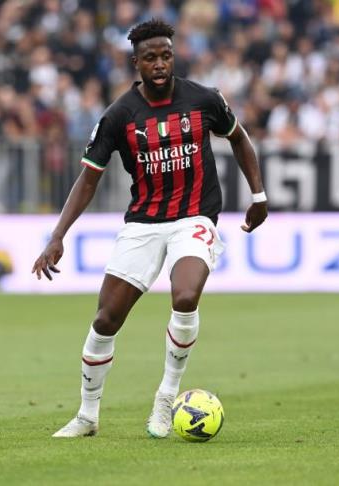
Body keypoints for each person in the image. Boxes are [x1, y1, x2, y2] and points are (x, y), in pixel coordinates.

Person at [32, 19, 268, 437]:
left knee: (186, 295)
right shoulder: (119, 115)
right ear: (136, 63)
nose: (159, 64)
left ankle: (166, 396)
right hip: (143, 223)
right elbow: (88, 178)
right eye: (150, 58)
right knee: (106, 319)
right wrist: (57, 235)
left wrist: (259, 195)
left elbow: (239, 137)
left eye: (166, 56)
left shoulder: (204, 100)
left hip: (194, 217)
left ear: (173, 57)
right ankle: (87, 416)